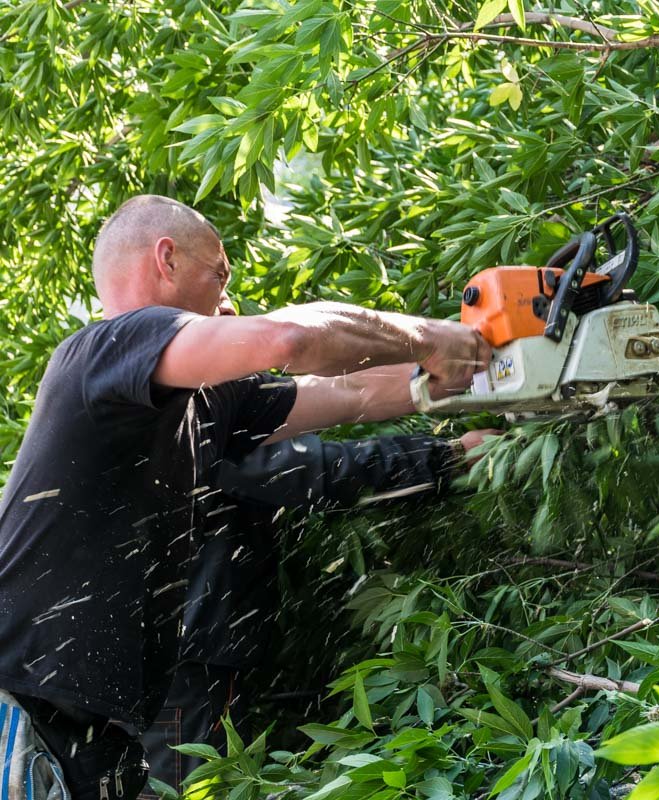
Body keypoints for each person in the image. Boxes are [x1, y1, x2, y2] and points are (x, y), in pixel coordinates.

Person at [0, 194, 492, 800]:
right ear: (167, 259)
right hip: (23, 704)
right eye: (220, 273)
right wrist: (431, 337)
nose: (227, 299)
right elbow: (287, 338)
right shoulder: (109, 346)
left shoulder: (203, 403)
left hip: (100, 725)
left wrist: (488, 366)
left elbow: (351, 394)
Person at [139, 429, 488, 797]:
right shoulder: (184, 417)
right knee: (186, 790)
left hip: (143, 653)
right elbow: (303, 468)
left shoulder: (126, 399)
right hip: (178, 661)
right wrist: (443, 456)